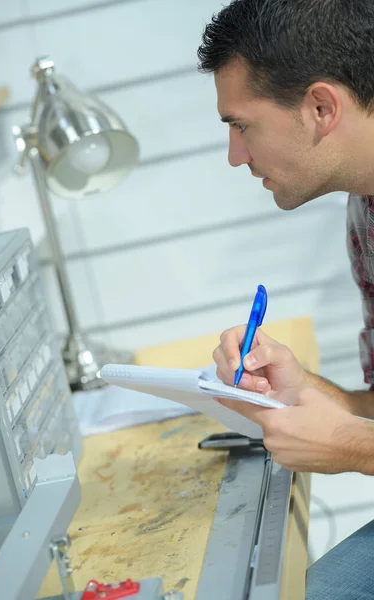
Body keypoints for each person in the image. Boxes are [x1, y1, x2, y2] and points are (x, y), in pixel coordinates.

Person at [197, 0, 374, 598]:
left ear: (322, 108)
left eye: (242, 125)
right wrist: (305, 392)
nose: (235, 156)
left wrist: (350, 445)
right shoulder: (366, 211)